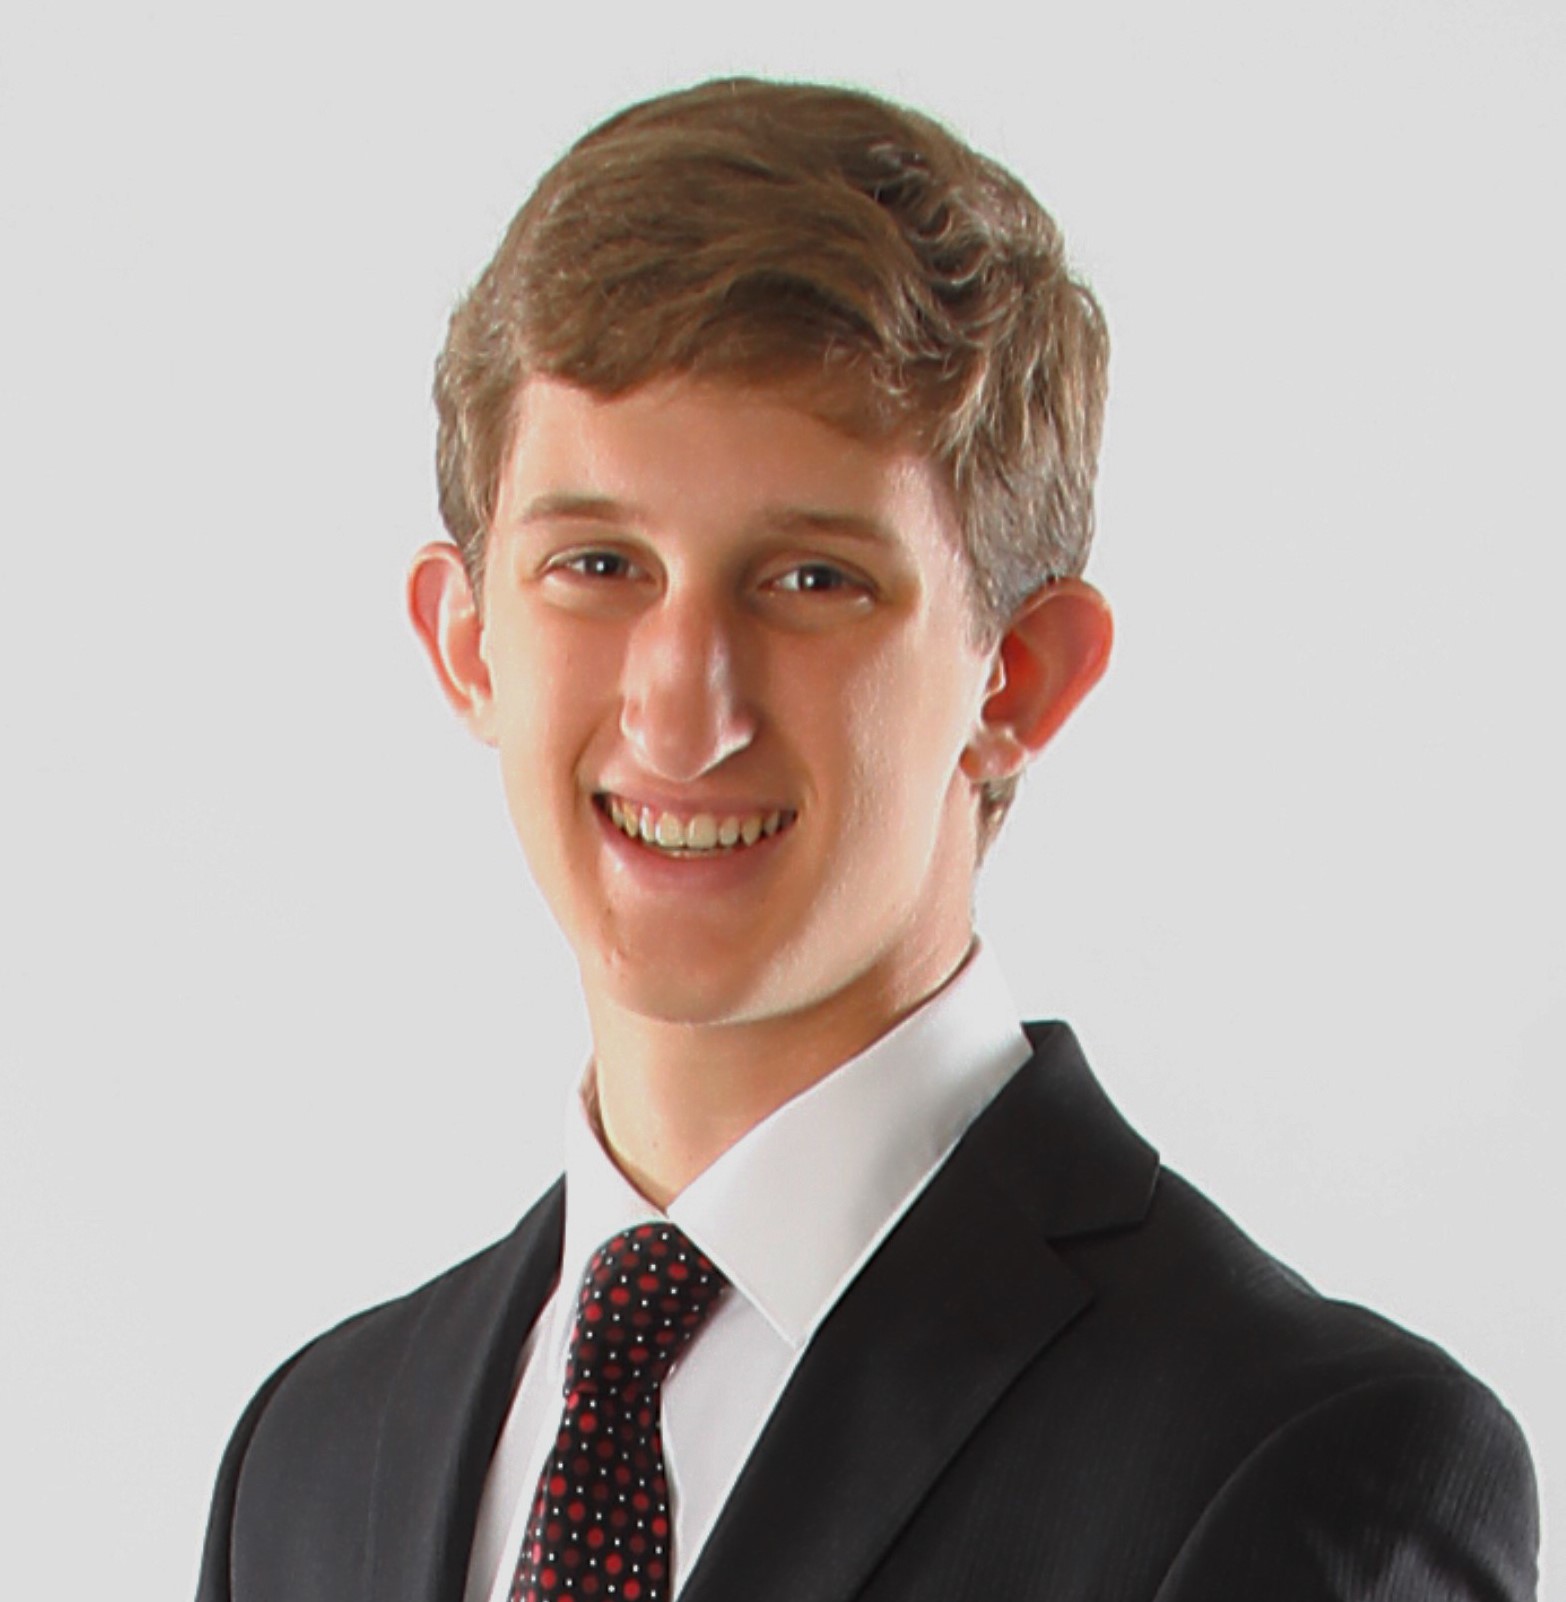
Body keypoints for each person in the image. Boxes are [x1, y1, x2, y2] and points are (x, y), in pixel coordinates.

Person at [195, 77, 1539, 1601]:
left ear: (1014, 677)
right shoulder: (311, 1456)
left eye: (811, 580)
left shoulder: (1301, 1463)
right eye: (597, 563)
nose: (680, 710)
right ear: (465, 643)